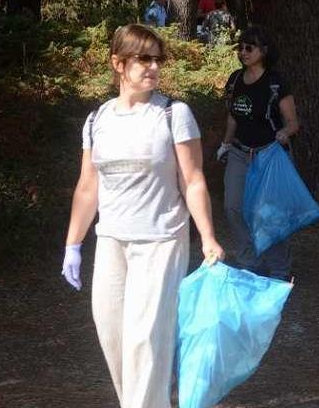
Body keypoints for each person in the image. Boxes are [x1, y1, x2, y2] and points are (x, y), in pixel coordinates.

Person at [60, 24, 225, 408]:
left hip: (161, 241)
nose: (152, 67)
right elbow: (87, 187)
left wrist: (208, 237)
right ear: (118, 64)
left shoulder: (173, 114)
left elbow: (194, 181)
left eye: (157, 59)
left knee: (145, 339)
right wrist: (73, 244)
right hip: (112, 242)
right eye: (143, 59)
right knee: (114, 336)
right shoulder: (97, 120)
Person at [217, 25, 300, 281]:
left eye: (249, 47)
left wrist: (285, 133)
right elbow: (233, 115)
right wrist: (226, 144)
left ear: (264, 51)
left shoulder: (276, 82)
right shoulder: (235, 79)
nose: (243, 52)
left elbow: (293, 122)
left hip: (269, 154)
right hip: (240, 152)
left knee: (268, 212)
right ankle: (249, 260)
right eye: (240, 48)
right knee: (233, 207)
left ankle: (278, 267)